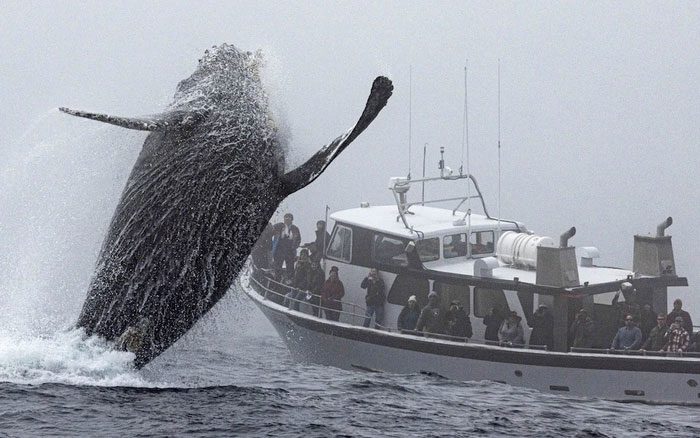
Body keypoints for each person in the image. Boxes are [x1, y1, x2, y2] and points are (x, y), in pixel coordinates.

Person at [272, 213, 301, 280]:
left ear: (292, 219)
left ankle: (289, 281)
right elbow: (271, 231)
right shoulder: (279, 225)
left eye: (289, 218)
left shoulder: (295, 228)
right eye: (286, 217)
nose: (287, 219)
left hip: (290, 250)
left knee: (290, 267)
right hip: (279, 249)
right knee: (278, 266)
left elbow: (298, 239)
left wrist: (295, 246)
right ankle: (277, 280)